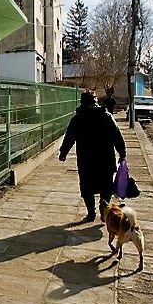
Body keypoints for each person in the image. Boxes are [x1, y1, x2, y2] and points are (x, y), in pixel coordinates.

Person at [58, 90, 127, 223]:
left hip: (86, 160)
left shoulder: (78, 118)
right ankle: (104, 205)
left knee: (87, 186)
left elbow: (69, 137)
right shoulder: (106, 116)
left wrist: (63, 152)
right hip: (106, 159)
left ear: (81, 102)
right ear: (96, 101)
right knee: (106, 185)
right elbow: (117, 136)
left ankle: (91, 213)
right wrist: (122, 153)